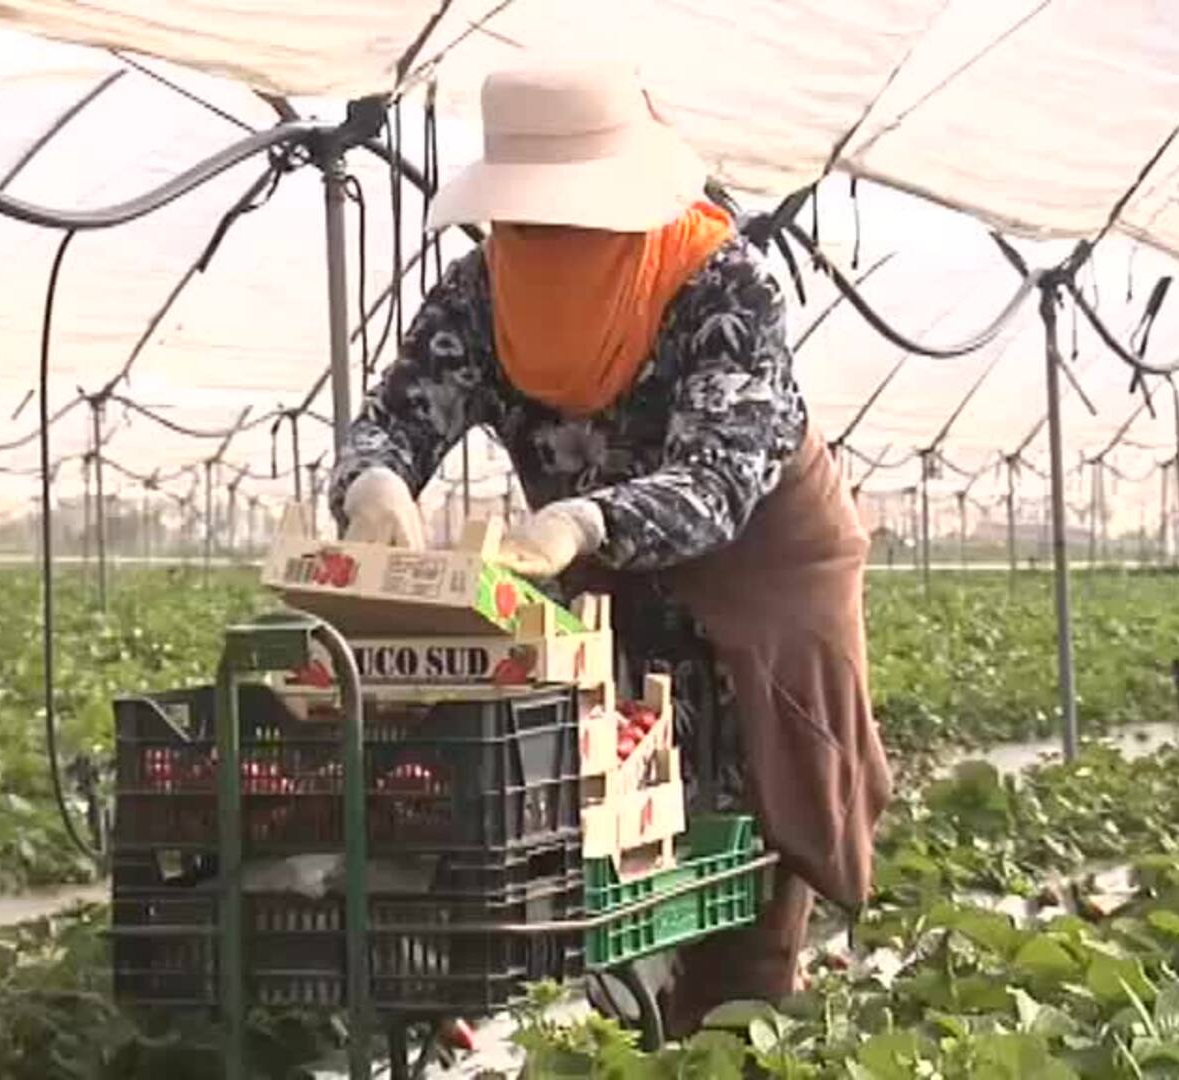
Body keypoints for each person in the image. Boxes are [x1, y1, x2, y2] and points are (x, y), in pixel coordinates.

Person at [329, 61, 891, 1031]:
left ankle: (738, 1013)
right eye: (529, 219)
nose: (551, 239)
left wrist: (583, 518)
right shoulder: (481, 294)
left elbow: (720, 479)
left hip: (761, 574)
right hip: (592, 573)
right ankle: (632, 1017)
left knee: (750, 811)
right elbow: (396, 419)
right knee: (607, 801)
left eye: (573, 215)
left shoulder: (720, 286)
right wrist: (374, 481)